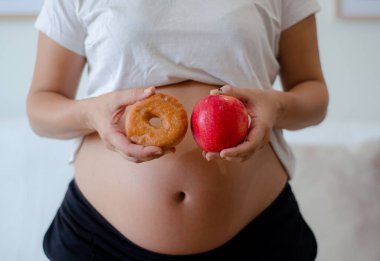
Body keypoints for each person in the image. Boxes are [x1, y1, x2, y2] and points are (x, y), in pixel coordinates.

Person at [27, 0, 329, 260]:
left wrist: (275, 106)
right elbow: (40, 107)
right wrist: (91, 114)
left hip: (257, 235)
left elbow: (314, 95)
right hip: (103, 240)